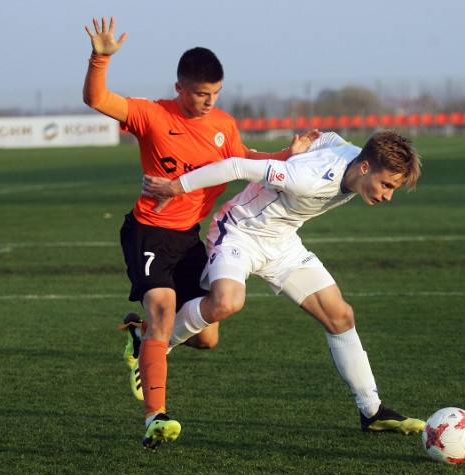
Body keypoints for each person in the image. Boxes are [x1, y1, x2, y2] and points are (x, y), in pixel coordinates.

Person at [82, 17, 319, 450]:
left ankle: (140, 339)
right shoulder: (152, 115)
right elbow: (96, 98)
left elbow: (244, 159)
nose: (208, 101)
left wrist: (288, 154)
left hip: (188, 238)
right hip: (149, 232)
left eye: (215, 93)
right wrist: (101, 57)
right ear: (180, 88)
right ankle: (156, 418)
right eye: (200, 93)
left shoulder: (223, 125)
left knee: (207, 337)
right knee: (164, 313)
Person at [140, 130, 425, 434]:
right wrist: (174, 187)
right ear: (365, 167)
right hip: (240, 231)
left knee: (340, 315)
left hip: (283, 243)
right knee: (226, 302)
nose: (387, 196)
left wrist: (295, 149)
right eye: (386, 185)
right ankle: (153, 344)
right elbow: (236, 166)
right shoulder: (307, 177)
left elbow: (328, 138)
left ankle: (372, 412)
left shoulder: (350, 152)